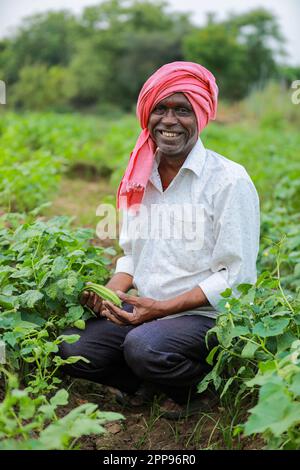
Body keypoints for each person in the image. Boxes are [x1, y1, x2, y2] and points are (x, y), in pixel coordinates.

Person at [59, 61, 260, 419]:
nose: (169, 121)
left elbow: (236, 278)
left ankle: (199, 388)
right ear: (147, 116)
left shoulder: (229, 181)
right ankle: (148, 385)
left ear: (200, 115)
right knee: (73, 347)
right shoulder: (140, 176)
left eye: (182, 110)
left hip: (205, 318)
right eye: (160, 109)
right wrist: (110, 294)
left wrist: (163, 309)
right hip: (145, 313)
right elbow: (132, 256)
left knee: (144, 346)